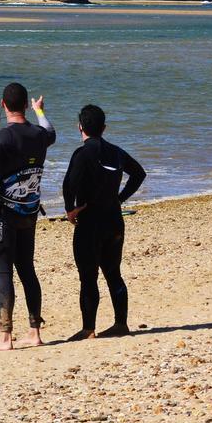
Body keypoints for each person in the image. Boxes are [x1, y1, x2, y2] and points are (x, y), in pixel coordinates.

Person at [0, 82, 56, 351]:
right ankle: (35, 333)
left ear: (3, 105)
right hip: (28, 213)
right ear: (25, 104)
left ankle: (5, 337)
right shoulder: (39, 135)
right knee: (27, 270)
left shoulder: (2, 138)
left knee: (2, 271)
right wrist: (40, 112)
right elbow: (51, 131)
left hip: (2, 215)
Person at [62, 104, 146, 341]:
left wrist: (71, 210)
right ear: (104, 128)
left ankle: (88, 328)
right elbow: (139, 173)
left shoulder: (82, 154)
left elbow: (69, 185)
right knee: (113, 273)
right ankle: (121, 323)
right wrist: (119, 198)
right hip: (114, 221)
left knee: (88, 276)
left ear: (80, 127)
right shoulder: (116, 152)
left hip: (90, 224)